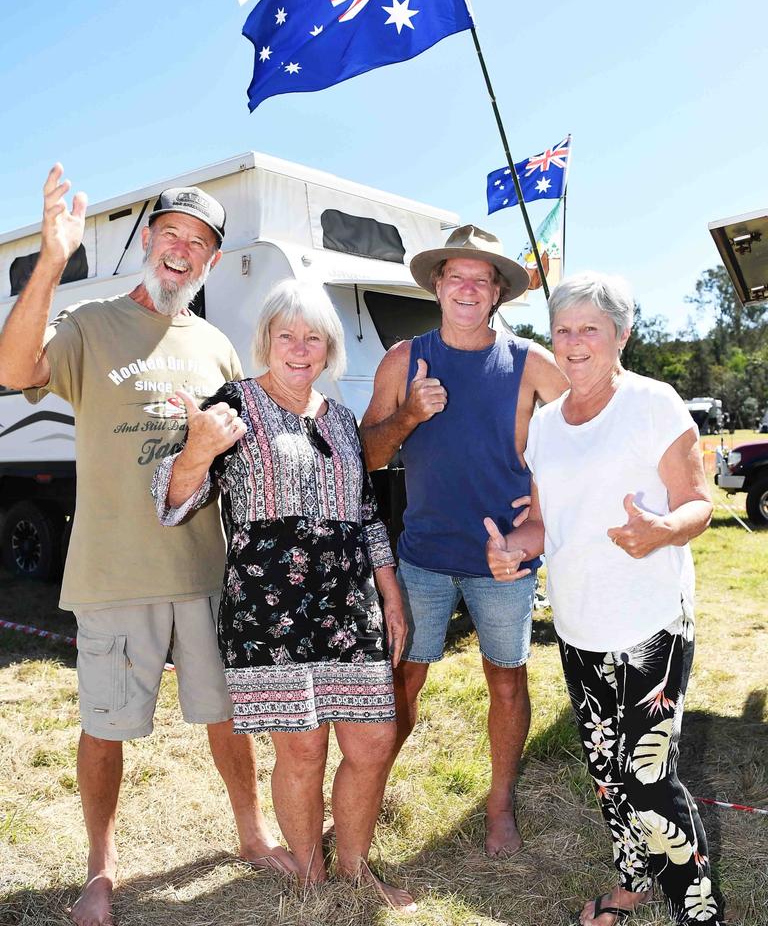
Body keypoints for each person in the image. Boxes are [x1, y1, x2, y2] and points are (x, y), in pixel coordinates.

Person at [0, 165, 293, 926]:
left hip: (204, 569)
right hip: (113, 572)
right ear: (148, 244)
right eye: (170, 235)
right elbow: (11, 369)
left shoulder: (219, 349)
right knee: (106, 727)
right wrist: (54, 258)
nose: (182, 251)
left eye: (199, 243)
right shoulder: (92, 324)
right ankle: (101, 870)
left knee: (226, 717)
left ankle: (252, 833)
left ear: (211, 262)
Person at [151, 279, 415, 911]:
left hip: (349, 604)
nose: (299, 348)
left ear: (329, 349)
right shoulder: (232, 405)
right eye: (286, 335)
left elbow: (365, 513)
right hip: (271, 609)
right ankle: (309, 873)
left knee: (373, 740)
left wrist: (391, 591)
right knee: (302, 747)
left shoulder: (343, 420)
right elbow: (170, 499)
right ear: (266, 339)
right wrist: (198, 448)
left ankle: (352, 868)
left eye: (313, 337)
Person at [485, 271, 722, 926]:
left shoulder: (654, 403)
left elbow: (698, 503)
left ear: (621, 334)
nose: (574, 341)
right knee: (608, 771)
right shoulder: (545, 425)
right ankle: (633, 883)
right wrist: (514, 547)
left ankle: (699, 914)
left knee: (648, 778)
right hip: (580, 622)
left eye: (590, 327)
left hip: (651, 620)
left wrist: (661, 532)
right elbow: (541, 521)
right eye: (563, 328)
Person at [360, 225, 568, 856]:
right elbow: (363, 455)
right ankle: (367, 794)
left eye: (483, 278)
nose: (469, 288)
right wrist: (408, 415)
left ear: (498, 291)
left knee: (506, 681)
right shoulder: (403, 359)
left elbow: (580, 438)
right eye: (458, 276)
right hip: (422, 558)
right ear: (439, 285)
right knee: (403, 684)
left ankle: (499, 803)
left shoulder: (532, 363)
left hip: (503, 563)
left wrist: (541, 503)